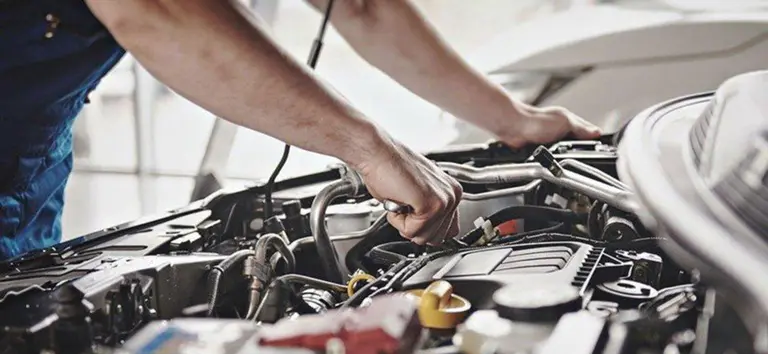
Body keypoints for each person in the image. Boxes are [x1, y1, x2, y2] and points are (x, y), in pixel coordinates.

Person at [0, 0, 600, 260]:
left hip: (31, 172)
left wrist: (515, 120)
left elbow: (362, 7)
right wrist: (369, 149)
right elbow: (157, 11)